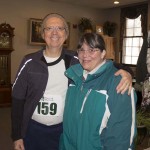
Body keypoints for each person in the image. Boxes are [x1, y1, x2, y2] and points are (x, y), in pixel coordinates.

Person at [11, 13, 133, 150]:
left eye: (60, 28)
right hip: (33, 129)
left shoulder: (76, 59)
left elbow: (102, 63)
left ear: (66, 34)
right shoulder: (29, 61)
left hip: (62, 130)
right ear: (42, 33)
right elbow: (17, 100)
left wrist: (127, 72)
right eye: (49, 28)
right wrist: (17, 136)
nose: (55, 32)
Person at [59, 33, 137, 150]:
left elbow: (121, 137)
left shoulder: (118, 83)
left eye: (92, 50)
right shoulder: (74, 78)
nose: (85, 55)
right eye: (81, 50)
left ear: (103, 53)